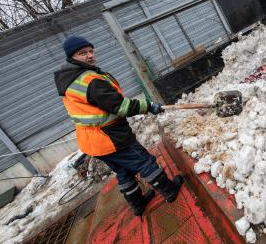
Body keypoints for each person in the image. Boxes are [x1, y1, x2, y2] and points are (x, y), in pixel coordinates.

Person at [54, 35, 183, 217]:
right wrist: (148, 106)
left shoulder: (69, 80)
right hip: (111, 137)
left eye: (91, 51)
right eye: (83, 53)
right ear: (71, 57)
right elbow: (120, 106)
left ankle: (137, 205)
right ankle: (170, 190)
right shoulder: (89, 80)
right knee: (144, 162)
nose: (90, 55)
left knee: (123, 171)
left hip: (93, 141)